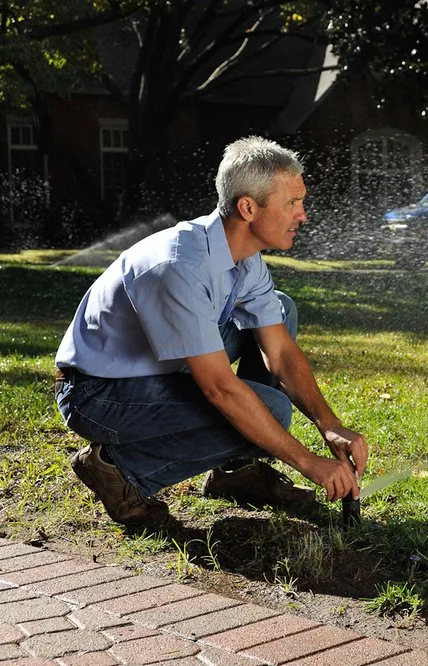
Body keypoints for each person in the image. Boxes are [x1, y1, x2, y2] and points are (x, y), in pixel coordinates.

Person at [54, 136, 368, 527]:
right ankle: (118, 469)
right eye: (292, 203)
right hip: (99, 394)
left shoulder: (245, 259)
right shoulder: (179, 265)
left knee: (279, 311)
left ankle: (235, 471)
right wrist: (309, 463)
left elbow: (282, 354)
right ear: (248, 207)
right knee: (270, 410)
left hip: (157, 370)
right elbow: (219, 389)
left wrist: (330, 425)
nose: (302, 215)